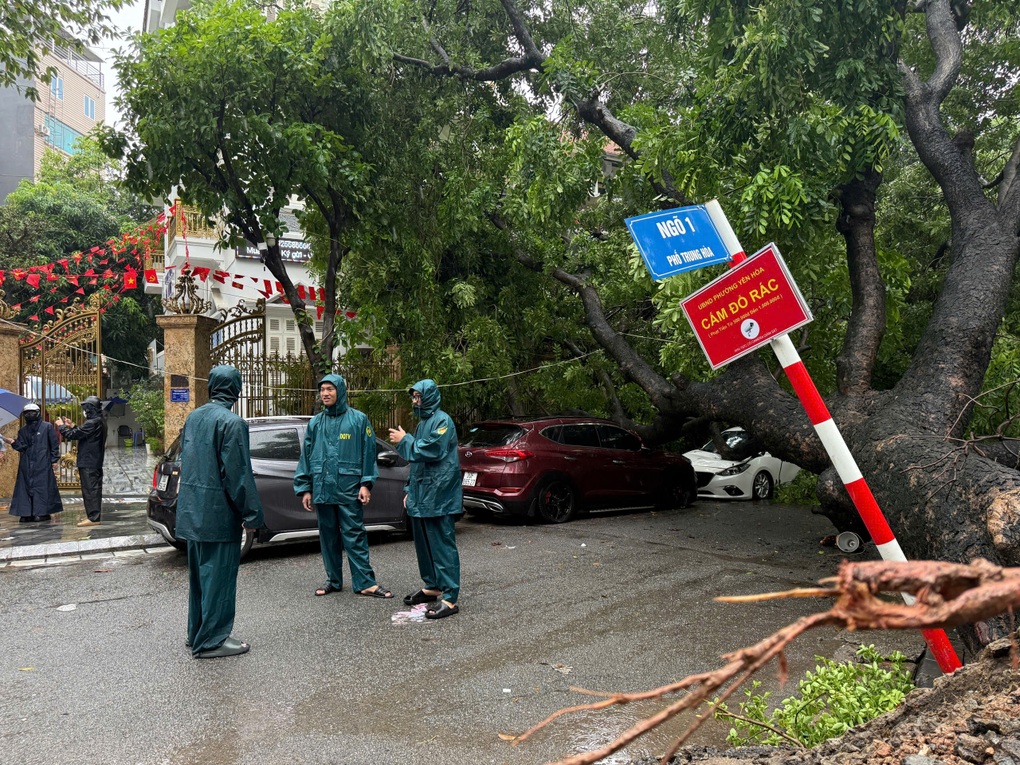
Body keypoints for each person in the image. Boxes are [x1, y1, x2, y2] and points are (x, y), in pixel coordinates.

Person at [177, 365, 265, 659]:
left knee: (200, 580)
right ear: (236, 390)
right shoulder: (232, 423)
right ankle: (212, 641)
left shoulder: (194, 417)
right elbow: (238, 476)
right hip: (219, 514)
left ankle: (196, 633)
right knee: (219, 579)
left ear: (211, 387)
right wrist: (252, 515)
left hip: (192, 511)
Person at [293, 374, 393, 600]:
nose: (325, 393)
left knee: (354, 535)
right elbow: (306, 457)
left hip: (349, 488)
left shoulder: (358, 420)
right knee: (328, 537)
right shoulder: (316, 423)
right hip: (322, 489)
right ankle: (333, 580)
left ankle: (365, 582)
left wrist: (366, 483)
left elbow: (368, 453)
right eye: (322, 390)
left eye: (330, 389)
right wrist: (305, 487)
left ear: (340, 391)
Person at [388, 379, 462, 619]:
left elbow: (431, 449)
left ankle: (450, 598)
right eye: (414, 396)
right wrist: (409, 489)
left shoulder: (443, 421)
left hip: (439, 494)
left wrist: (405, 440)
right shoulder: (422, 424)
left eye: (418, 396)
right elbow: (416, 463)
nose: (415, 400)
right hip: (421, 493)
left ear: (429, 396)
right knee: (424, 545)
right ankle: (432, 586)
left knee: (442, 545)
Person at [6, 403, 62, 523]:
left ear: (38, 413)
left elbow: (54, 444)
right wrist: (13, 443)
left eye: (32, 412)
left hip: (43, 462)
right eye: (27, 413)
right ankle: (26, 513)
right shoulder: (23, 430)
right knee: (25, 487)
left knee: (42, 487)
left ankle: (42, 512)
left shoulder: (47, 427)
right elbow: (22, 447)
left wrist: (54, 460)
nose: (29, 415)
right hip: (27, 463)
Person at [57, 395, 106, 527]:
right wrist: (72, 425)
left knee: (90, 490)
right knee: (93, 489)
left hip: (89, 461)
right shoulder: (99, 421)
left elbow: (72, 435)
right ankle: (93, 515)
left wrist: (61, 427)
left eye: (86, 408)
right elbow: (83, 434)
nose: (85, 411)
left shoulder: (92, 422)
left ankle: (93, 518)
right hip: (94, 460)